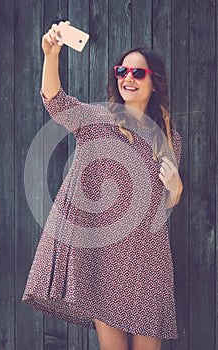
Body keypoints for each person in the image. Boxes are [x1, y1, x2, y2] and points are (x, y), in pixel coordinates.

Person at [22, 21, 183, 350]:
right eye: (122, 71)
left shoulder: (169, 139)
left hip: (148, 262)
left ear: (155, 82)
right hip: (104, 260)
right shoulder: (96, 119)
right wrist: (51, 56)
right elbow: (55, 101)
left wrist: (176, 192)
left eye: (138, 73)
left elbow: (158, 206)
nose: (128, 78)